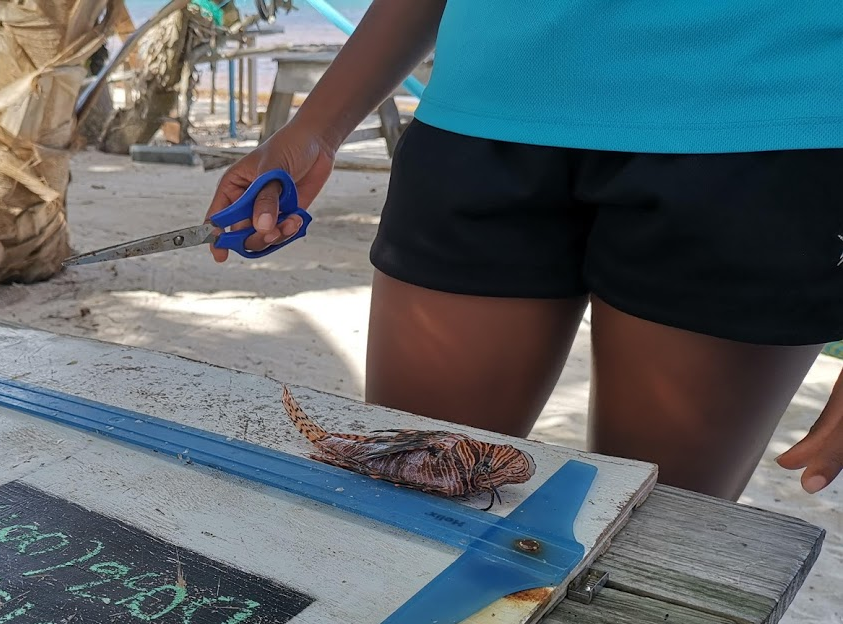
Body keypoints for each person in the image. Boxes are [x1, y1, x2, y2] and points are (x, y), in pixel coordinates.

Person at [205, 0, 843, 501]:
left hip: (760, 131)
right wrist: (317, 125)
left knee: (641, 544)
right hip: (477, 116)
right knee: (407, 504)